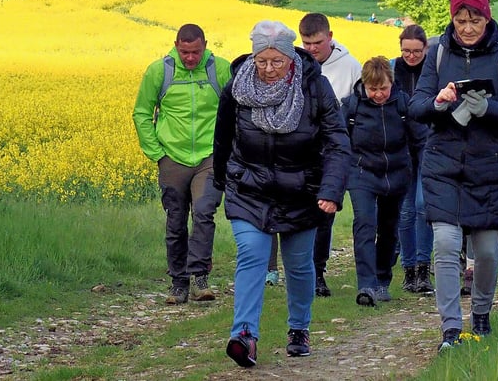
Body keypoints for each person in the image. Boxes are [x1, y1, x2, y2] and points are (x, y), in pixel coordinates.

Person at [213, 20, 350, 368]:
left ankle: (299, 328)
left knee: (299, 265)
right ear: (253, 57)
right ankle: (245, 336)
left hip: (302, 191)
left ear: (290, 58)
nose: (269, 69)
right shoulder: (237, 88)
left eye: (276, 61)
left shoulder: (315, 87)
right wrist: (222, 181)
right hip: (249, 188)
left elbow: (336, 142)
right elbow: (223, 137)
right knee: (251, 256)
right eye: (262, 61)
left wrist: (331, 189)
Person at [408, 0, 498, 351]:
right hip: (443, 162)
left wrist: (487, 108)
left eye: (475, 19)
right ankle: (450, 328)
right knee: (444, 244)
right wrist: (439, 102)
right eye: (461, 20)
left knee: (488, 251)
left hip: (489, 166)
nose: (468, 27)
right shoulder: (437, 52)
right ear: (453, 19)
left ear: (487, 18)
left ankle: (481, 313)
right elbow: (415, 106)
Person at [133, 23, 232, 305]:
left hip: (209, 157)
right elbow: (142, 112)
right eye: (186, 52)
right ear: (176, 45)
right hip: (172, 157)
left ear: (206, 45)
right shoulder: (159, 71)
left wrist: (226, 149)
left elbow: (235, 110)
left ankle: (200, 277)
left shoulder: (220, 70)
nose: (191, 58)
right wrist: (157, 153)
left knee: (203, 212)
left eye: (196, 52)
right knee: (175, 221)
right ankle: (179, 282)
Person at [343, 56, 421, 306]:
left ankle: (382, 279)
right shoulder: (351, 107)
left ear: (392, 83)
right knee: (365, 224)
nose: (378, 94)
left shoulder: (403, 104)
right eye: (373, 89)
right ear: (363, 85)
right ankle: (366, 285)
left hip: (397, 173)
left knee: (389, 228)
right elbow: (339, 142)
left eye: (383, 88)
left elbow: (419, 140)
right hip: (361, 172)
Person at [299, 12, 362, 297]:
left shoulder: (350, 67)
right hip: (301, 152)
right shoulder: (296, 65)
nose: (312, 48)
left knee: (325, 215)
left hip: (333, 153)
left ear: (330, 37)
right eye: (307, 43)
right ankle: (301, 271)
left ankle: (318, 272)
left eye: (317, 42)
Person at [393, 25, 435, 294]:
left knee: (423, 206)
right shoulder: (391, 69)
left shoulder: (434, 70)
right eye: (406, 50)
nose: (410, 56)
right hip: (402, 148)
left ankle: (423, 268)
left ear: (425, 49)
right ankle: (408, 271)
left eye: (416, 51)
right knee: (406, 211)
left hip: (430, 145)